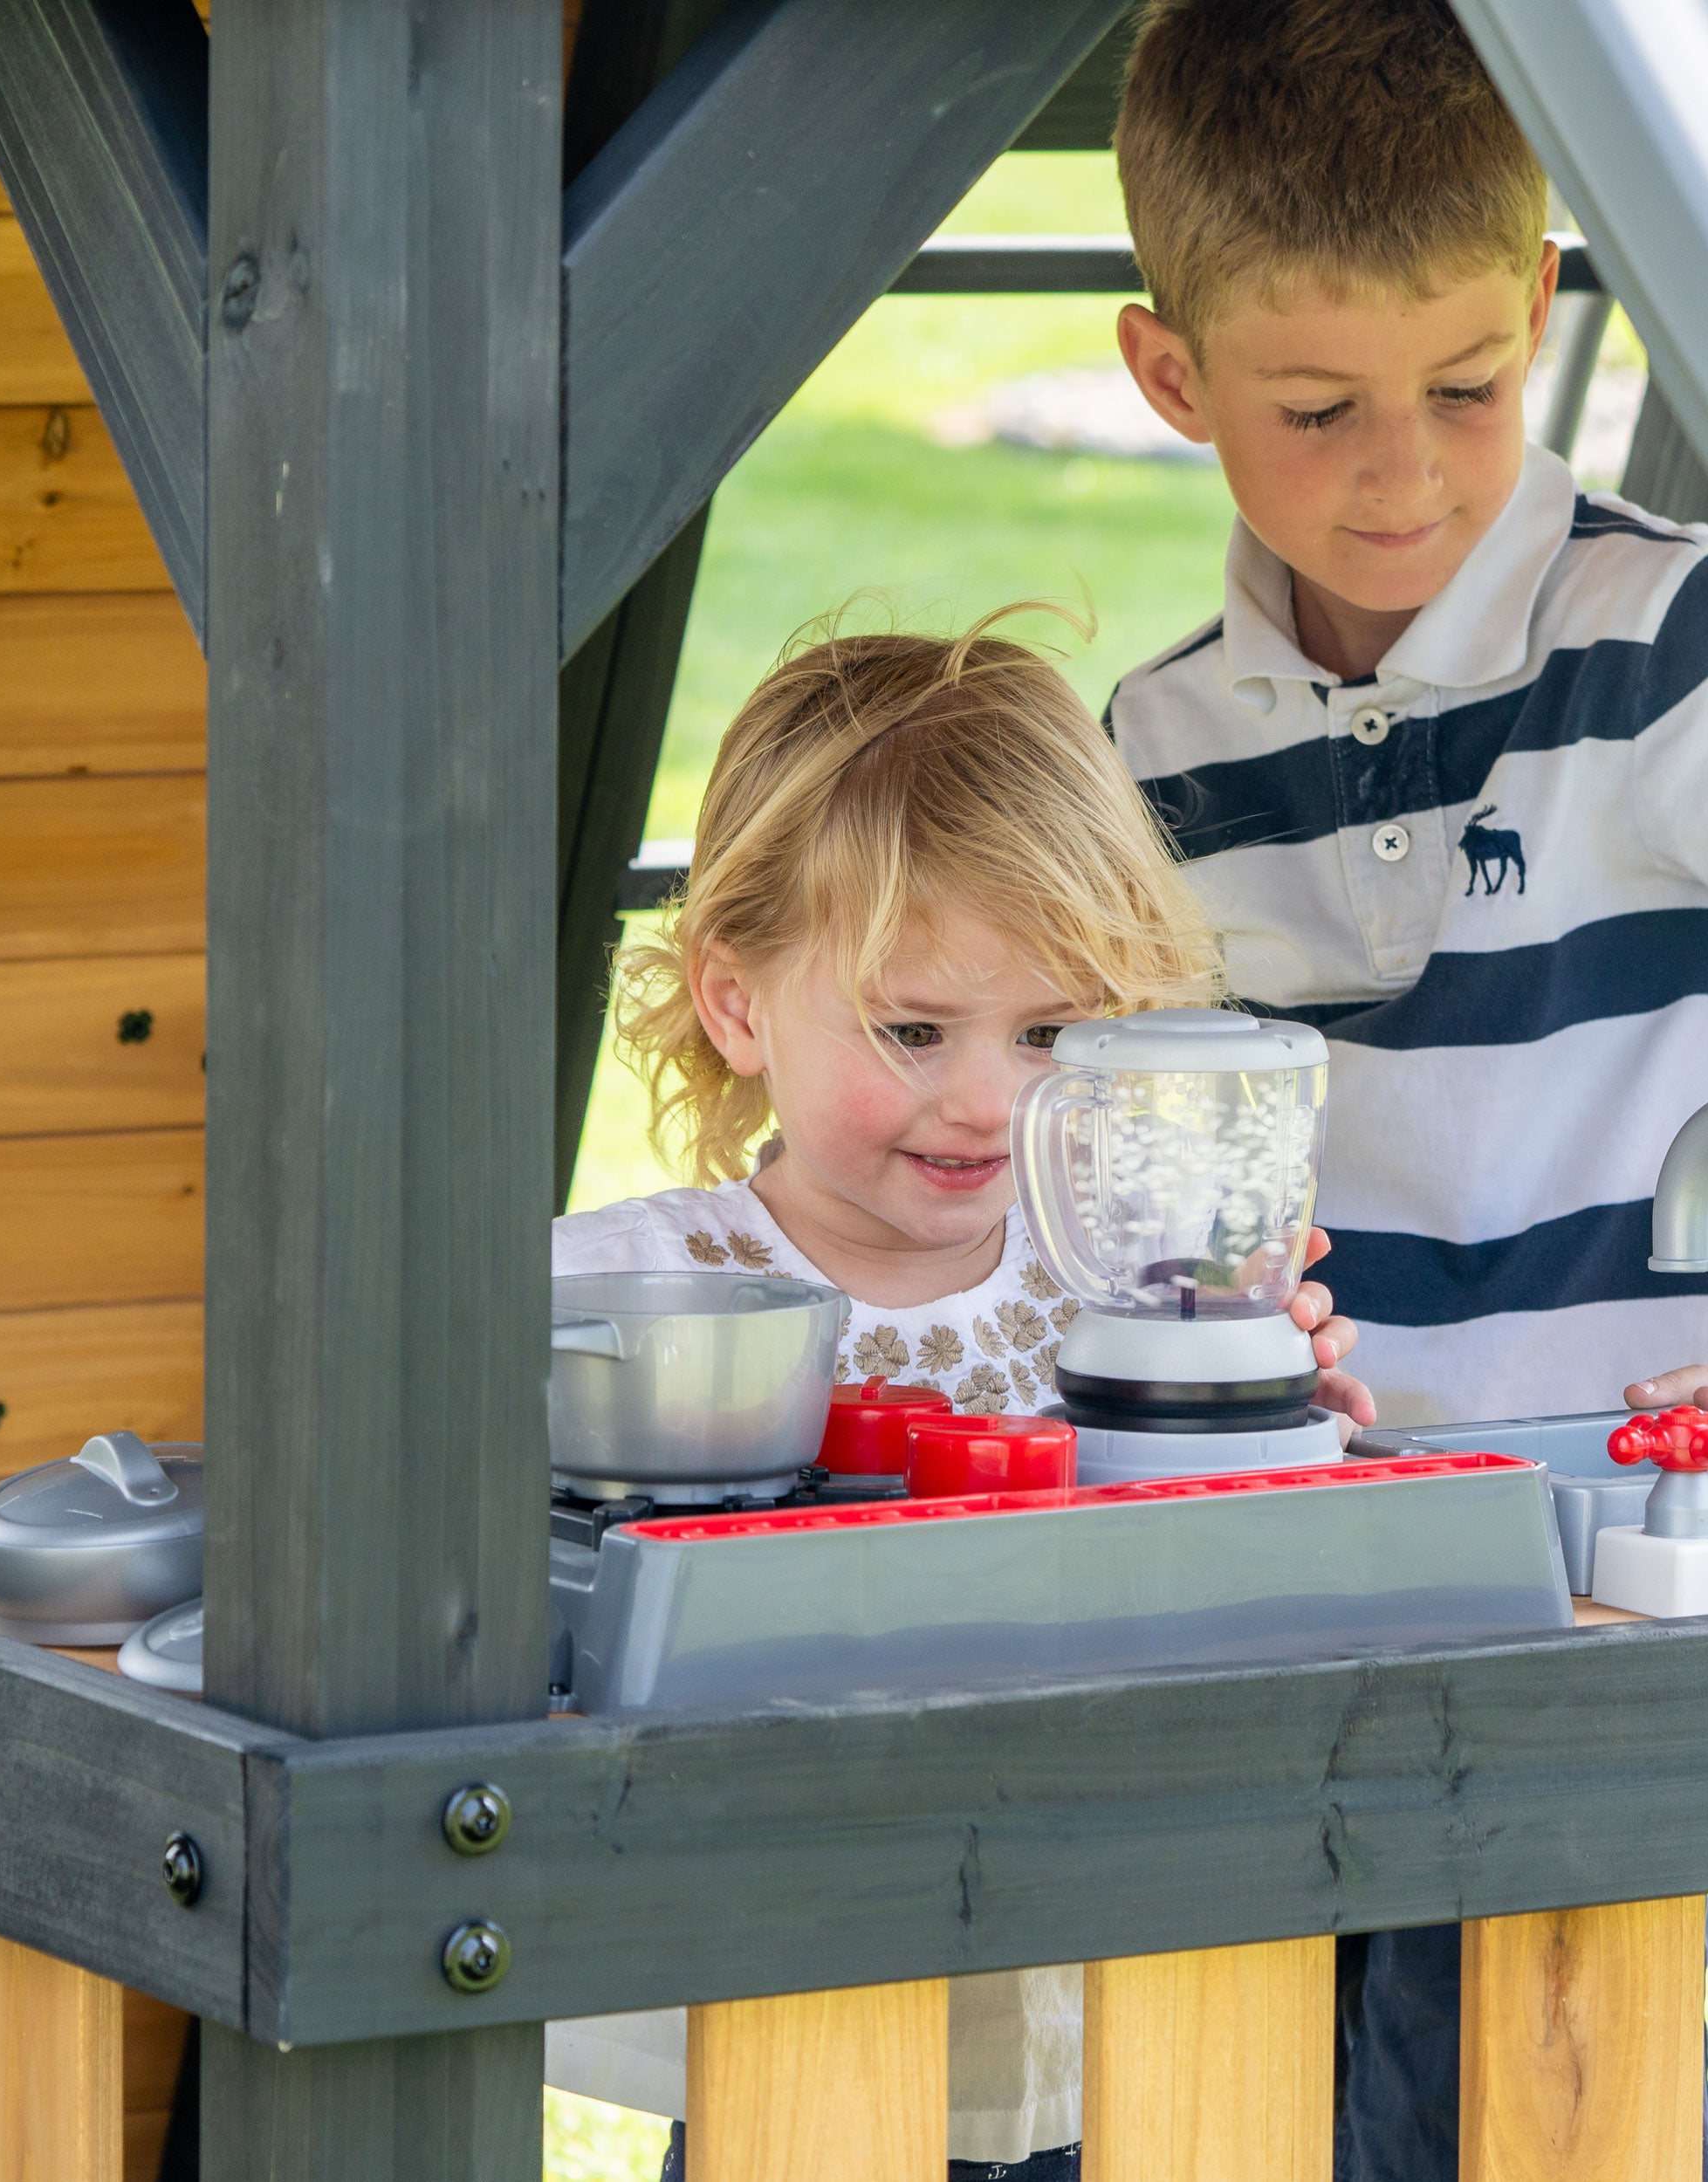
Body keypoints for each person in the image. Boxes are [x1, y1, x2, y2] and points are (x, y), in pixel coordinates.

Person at [1103, 3, 1708, 2178]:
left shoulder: (1680, 649)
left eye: (1466, 388)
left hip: (1593, 1596)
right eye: (1316, 410)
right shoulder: (1158, 746)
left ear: (1545, 310)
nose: (1402, 468)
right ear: (1168, 378)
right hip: (1272, 1603)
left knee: (1532, 2111)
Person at [548, 607, 1375, 2179]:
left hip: (1125, 2006)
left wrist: (1280, 1403)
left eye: (1056, 1031)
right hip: (799, 2016)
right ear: (738, 1004)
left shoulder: (1136, 1283)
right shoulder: (639, 1296)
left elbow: (1271, 1589)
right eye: (912, 1029)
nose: (990, 1101)